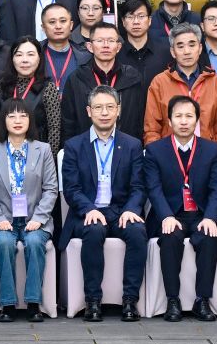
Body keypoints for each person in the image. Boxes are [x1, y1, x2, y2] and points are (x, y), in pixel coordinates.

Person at [60, 86, 150, 322]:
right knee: (94, 230)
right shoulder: (74, 146)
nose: (104, 113)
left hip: (120, 211)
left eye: (110, 107)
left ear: (118, 110)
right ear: (89, 111)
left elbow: (138, 187)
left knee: (137, 231)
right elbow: (71, 189)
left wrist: (130, 209)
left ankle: (129, 300)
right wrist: (89, 209)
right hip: (87, 212)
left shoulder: (132, 145)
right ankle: (92, 301)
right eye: (98, 107)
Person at [142, 95, 217, 321]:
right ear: (169, 121)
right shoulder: (155, 150)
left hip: (200, 214)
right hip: (170, 214)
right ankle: (172, 300)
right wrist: (166, 216)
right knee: (170, 237)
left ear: (197, 120)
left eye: (189, 116)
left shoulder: (211, 150)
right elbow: (154, 188)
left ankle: (202, 300)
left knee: (209, 237)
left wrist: (211, 217)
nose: (184, 121)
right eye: (178, 116)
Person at [0, 100, 60, 322]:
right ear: (3, 121)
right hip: (3, 219)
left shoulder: (43, 150)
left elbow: (51, 189)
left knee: (35, 242)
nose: (17, 120)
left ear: (30, 120)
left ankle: (33, 303)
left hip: (35, 219)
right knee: (5, 243)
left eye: (23, 115)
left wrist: (39, 218)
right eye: (11, 116)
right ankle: (7, 305)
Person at [143, 24, 217, 144]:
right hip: (169, 152)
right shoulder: (159, 82)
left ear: (200, 48)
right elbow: (151, 129)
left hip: (207, 151)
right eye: (180, 46)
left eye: (192, 45)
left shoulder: (214, 81)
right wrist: (158, 153)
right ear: (173, 52)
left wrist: (215, 152)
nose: (187, 51)